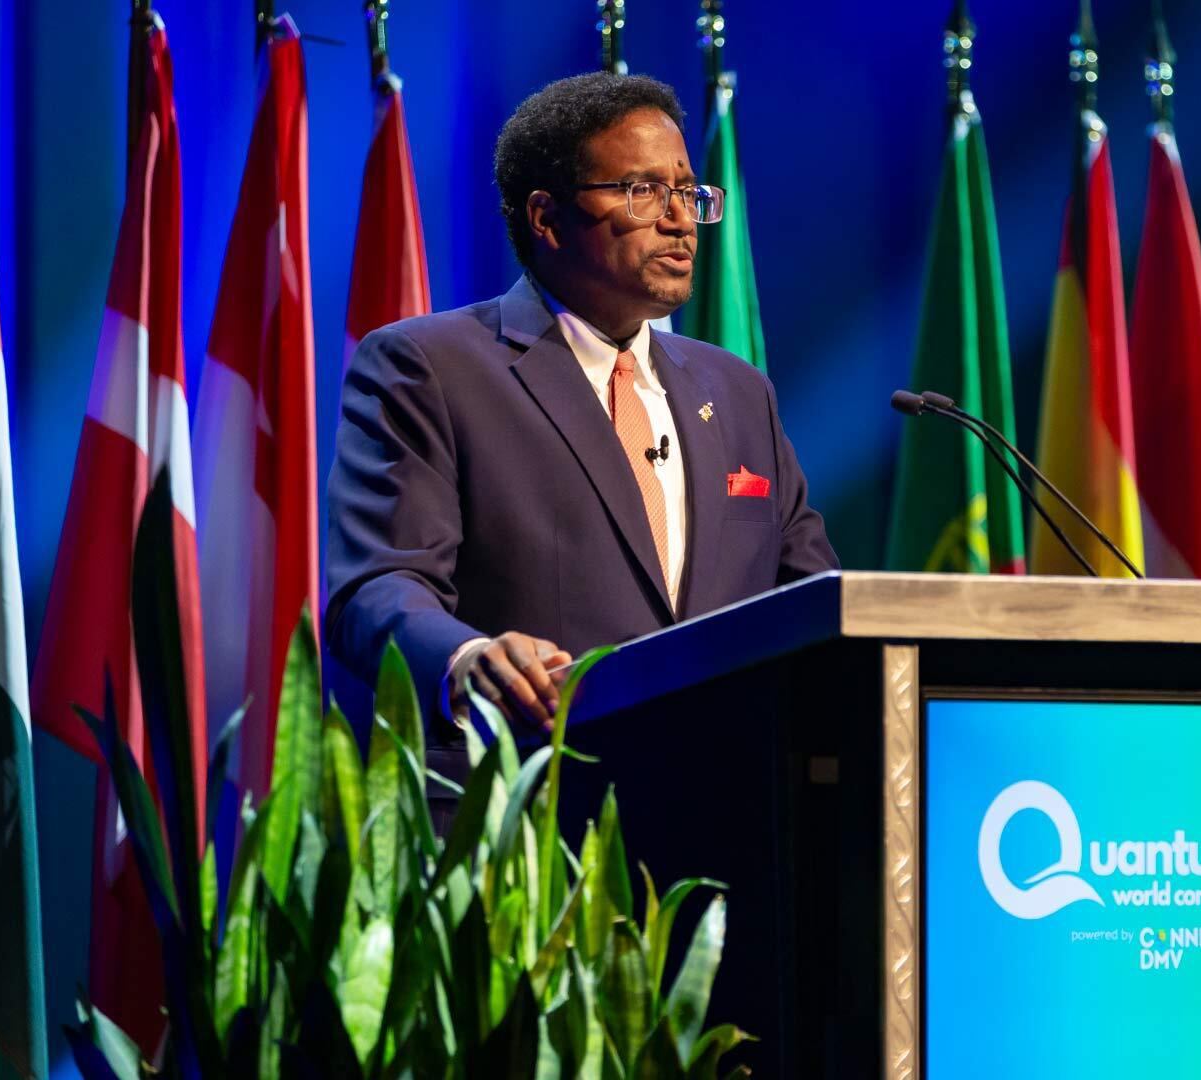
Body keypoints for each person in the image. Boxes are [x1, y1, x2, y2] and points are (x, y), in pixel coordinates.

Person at [324, 72, 837, 784]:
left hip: (731, 833)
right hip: (532, 822)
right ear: (546, 217)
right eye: (642, 190)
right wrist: (469, 658)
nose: (680, 218)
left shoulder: (740, 392)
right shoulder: (431, 369)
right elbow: (378, 588)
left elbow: (817, 602)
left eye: (687, 191)